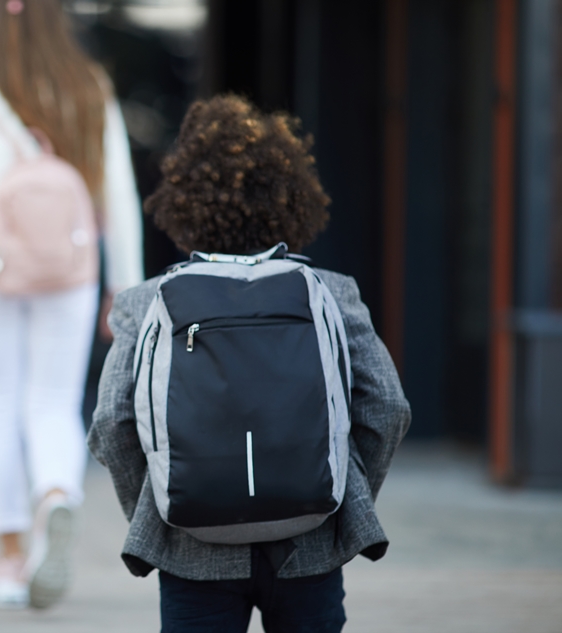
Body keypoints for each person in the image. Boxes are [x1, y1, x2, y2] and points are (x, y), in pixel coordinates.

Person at [87, 94, 412, 633]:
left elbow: (111, 424)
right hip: (308, 547)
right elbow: (388, 408)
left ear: (182, 203)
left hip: (193, 548)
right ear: (294, 200)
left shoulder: (147, 301)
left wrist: (163, 507)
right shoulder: (331, 292)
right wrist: (335, 495)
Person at [0, 0, 144, 611]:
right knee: (54, 398)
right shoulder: (86, 83)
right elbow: (117, 188)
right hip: (70, 257)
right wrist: (124, 284)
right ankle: (55, 495)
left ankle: (11, 557)